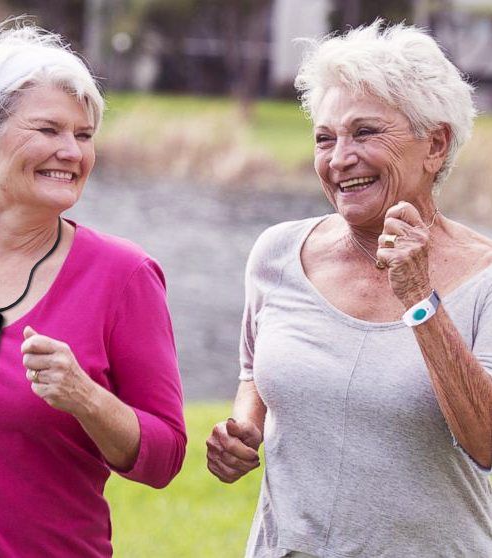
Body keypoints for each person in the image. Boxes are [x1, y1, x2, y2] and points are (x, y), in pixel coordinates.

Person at [206, 20, 492, 557]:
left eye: (364, 133)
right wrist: (241, 430)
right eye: (324, 138)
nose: (339, 159)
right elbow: (254, 374)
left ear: (435, 144)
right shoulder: (276, 254)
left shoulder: (485, 277)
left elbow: (487, 442)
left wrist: (420, 300)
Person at [0, 19, 186, 557]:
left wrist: (86, 399)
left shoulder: (124, 277)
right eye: (48, 130)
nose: (72, 151)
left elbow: (165, 458)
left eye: (84, 135)